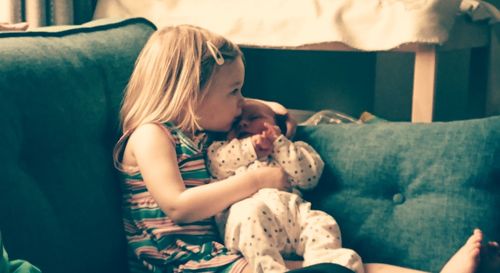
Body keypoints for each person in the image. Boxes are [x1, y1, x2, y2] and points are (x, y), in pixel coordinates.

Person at [113, 24, 497, 273]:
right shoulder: (151, 135)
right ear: (190, 93)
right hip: (175, 265)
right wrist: (258, 179)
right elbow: (179, 206)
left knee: (349, 264)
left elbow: (278, 111)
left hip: (215, 260)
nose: (241, 102)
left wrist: (257, 110)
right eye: (234, 91)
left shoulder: (199, 132)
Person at [207, 99, 364, 273]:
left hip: (293, 216)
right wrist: (252, 146)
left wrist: (279, 143)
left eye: (254, 117)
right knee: (249, 212)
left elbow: (309, 177)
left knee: (322, 222)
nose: (243, 123)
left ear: (278, 126)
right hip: (251, 225)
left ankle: (325, 264)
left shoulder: (294, 149)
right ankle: (270, 269)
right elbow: (219, 165)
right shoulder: (220, 149)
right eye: (236, 122)